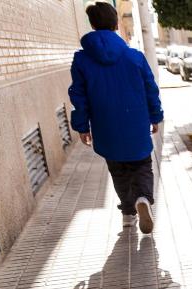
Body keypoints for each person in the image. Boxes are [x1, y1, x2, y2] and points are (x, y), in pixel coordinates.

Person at [68, 2, 163, 233]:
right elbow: (150, 88)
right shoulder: (135, 57)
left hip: (105, 126)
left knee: (118, 169)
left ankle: (128, 214)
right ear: (116, 23)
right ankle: (143, 199)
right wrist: (155, 116)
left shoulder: (81, 60)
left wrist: (82, 126)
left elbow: (78, 96)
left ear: (92, 25)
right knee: (142, 166)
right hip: (136, 123)